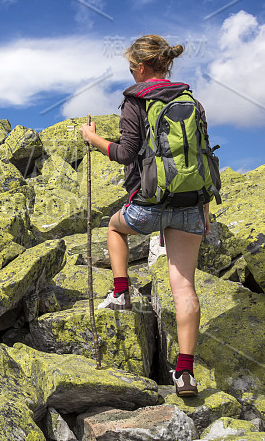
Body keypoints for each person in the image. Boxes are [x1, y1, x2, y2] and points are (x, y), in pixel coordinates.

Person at [80, 34, 210, 398]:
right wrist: (204, 208)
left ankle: (121, 293)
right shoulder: (191, 101)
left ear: (140, 67)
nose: (130, 72)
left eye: (130, 66)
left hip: (150, 203)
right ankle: (184, 373)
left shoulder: (136, 100)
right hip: (190, 204)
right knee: (184, 285)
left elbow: (124, 153)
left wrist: (92, 138)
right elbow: (202, 158)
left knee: (114, 227)